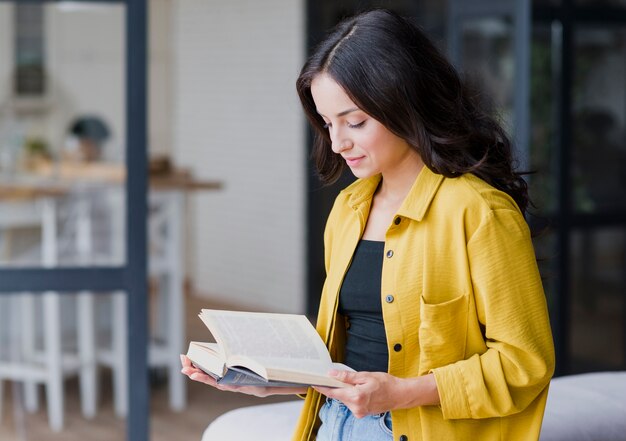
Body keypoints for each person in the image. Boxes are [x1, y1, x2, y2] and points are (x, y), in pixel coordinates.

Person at [181, 8, 555, 441]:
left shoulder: (478, 212)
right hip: (333, 424)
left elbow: (525, 362)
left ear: (404, 103)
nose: (338, 143)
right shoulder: (348, 208)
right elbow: (350, 361)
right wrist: (264, 378)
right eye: (327, 123)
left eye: (355, 122)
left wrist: (402, 393)